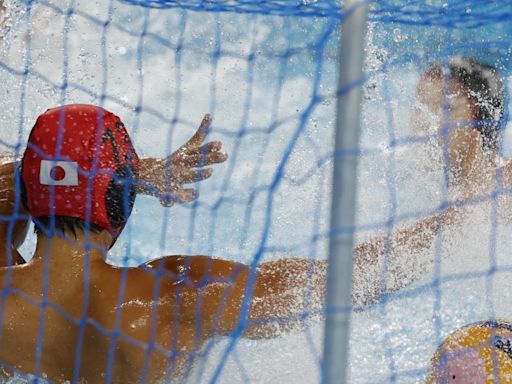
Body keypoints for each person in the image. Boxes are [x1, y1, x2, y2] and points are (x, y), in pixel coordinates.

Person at [0, 104, 326, 383]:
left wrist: (126, 177)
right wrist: (128, 177)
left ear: (29, 192)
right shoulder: (174, 294)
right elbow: (334, 285)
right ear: (119, 200)